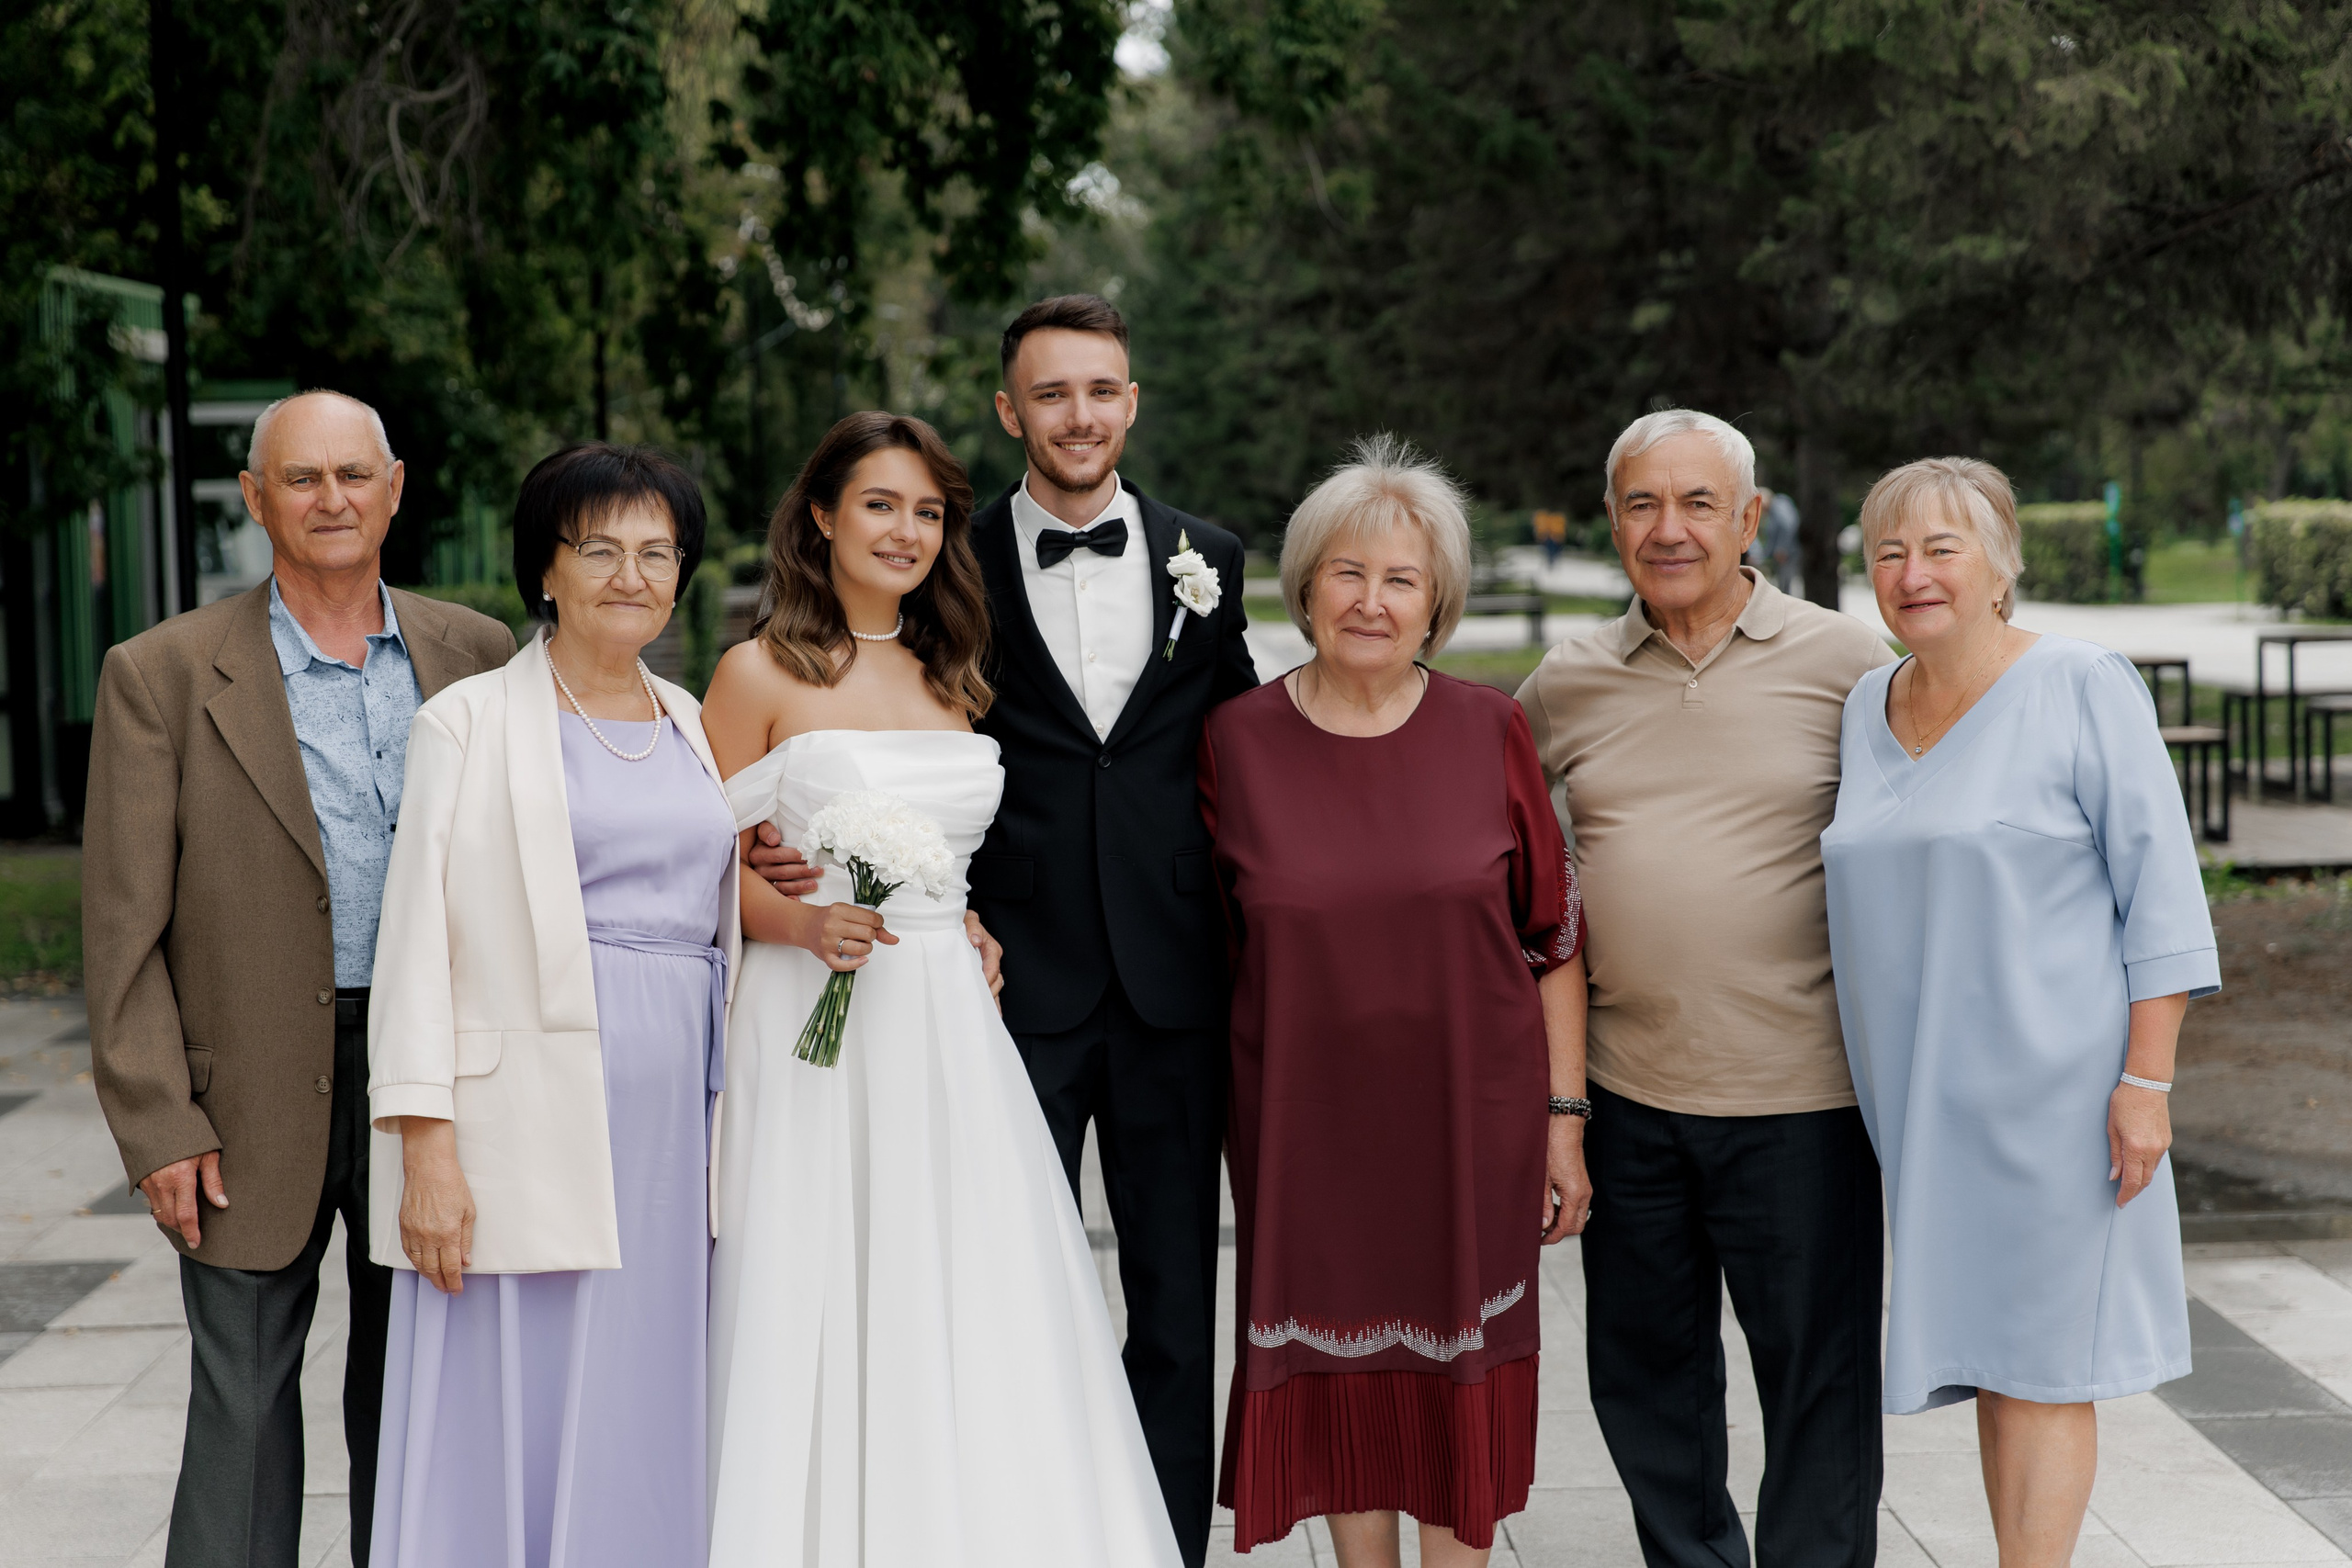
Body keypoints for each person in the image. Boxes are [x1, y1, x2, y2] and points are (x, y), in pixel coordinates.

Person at [701, 411, 1182, 1567]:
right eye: (879, 504)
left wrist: (958, 915)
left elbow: (948, 852)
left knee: (962, 1285)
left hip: (949, 1028)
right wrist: (802, 918)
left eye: (927, 512)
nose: (906, 532)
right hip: (814, 1017)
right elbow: (698, 877)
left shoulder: (955, 674)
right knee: (821, 1280)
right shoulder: (754, 671)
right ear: (819, 516)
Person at [82, 389, 516, 1568]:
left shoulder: (477, 653)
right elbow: (121, 926)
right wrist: (157, 1121)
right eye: (303, 478)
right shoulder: (159, 674)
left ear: (394, 487)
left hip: (436, 1082)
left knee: (422, 1398)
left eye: (353, 475)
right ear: (257, 497)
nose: (332, 499)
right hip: (242, 1094)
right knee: (243, 1411)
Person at [1514, 409, 1896, 1568]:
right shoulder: (1564, 682)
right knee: (1646, 1387)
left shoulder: (1847, 664)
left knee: (1817, 1388)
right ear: (1612, 520)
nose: (1666, 529)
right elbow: (1488, 861)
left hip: (1805, 1100)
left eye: (1694, 505)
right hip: (1628, 1097)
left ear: (1748, 520)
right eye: (1640, 504)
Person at [1201, 437, 1589, 1564]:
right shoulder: (1234, 742)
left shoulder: (1489, 729)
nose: (1370, 601)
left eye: (1400, 580)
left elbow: (1552, 937)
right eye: (1346, 573)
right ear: (1306, 585)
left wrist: (1564, 1126)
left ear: (1436, 606)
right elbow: (1210, 942)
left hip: (1467, 1127)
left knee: (1451, 1392)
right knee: (1336, 1393)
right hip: (1302, 1134)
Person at [1822, 457, 2216, 1567]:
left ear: (2002, 566)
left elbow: (2165, 899)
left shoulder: (2083, 683)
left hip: (2061, 1103)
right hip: (1925, 1113)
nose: (1912, 573)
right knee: (2000, 1364)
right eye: (1889, 551)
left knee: (2044, 1366)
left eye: (1942, 547)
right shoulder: (1865, 706)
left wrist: (2146, 1085)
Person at [364, 443, 740, 1565]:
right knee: (518, 1384)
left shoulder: (688, 718)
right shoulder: (469, 724)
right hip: (521, 1118)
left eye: (657, 552)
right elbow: (417, 944)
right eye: (600, 550)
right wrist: (425, 1148)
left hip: (677, 1115)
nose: (631, 575)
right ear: (545, 570)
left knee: (645, 1381)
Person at [971, 292, 1259, 1566]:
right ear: (1010, 411)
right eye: (1051, 393)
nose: (1078, 415)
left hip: (1175, 981)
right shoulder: (952, 559)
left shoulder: (1213, 557)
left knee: (1176, 1307)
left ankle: (1166, 1547)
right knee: (1009, 1291)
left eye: (1100, 390)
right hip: (1004, 984)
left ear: (1130, 401)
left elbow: (1248, 748)